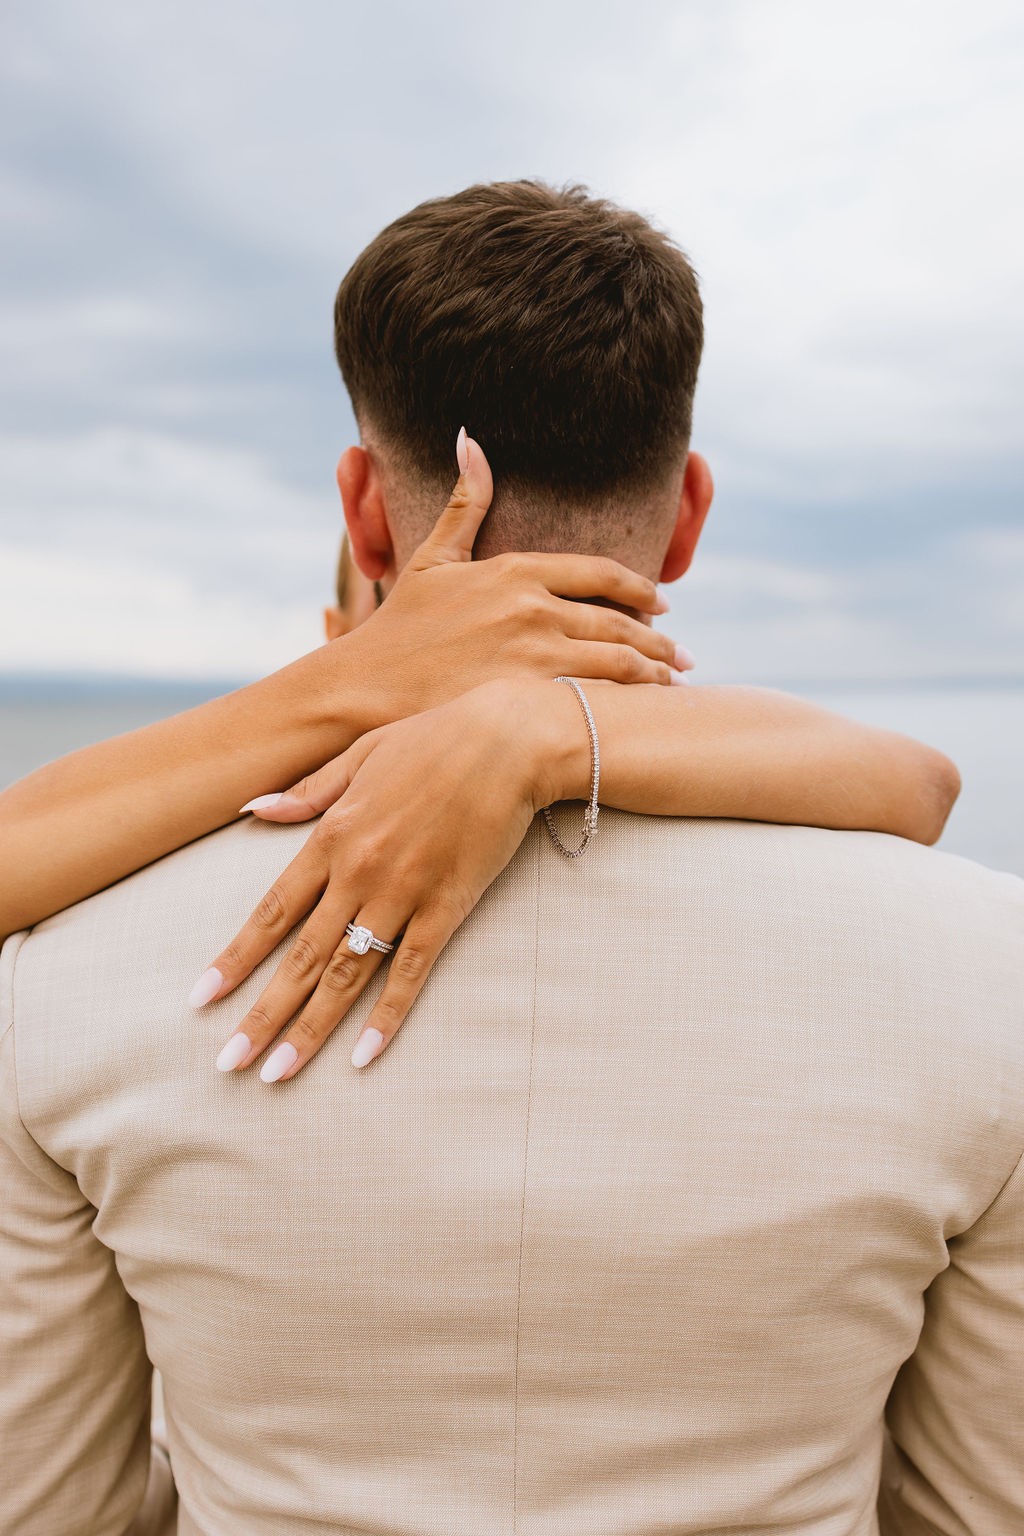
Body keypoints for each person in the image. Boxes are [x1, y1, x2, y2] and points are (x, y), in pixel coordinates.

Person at [0, 179, 1019, 1534]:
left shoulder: (60, 985)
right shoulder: (987, 976)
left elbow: (48, 1509)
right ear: (689, 512)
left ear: (368, 516)